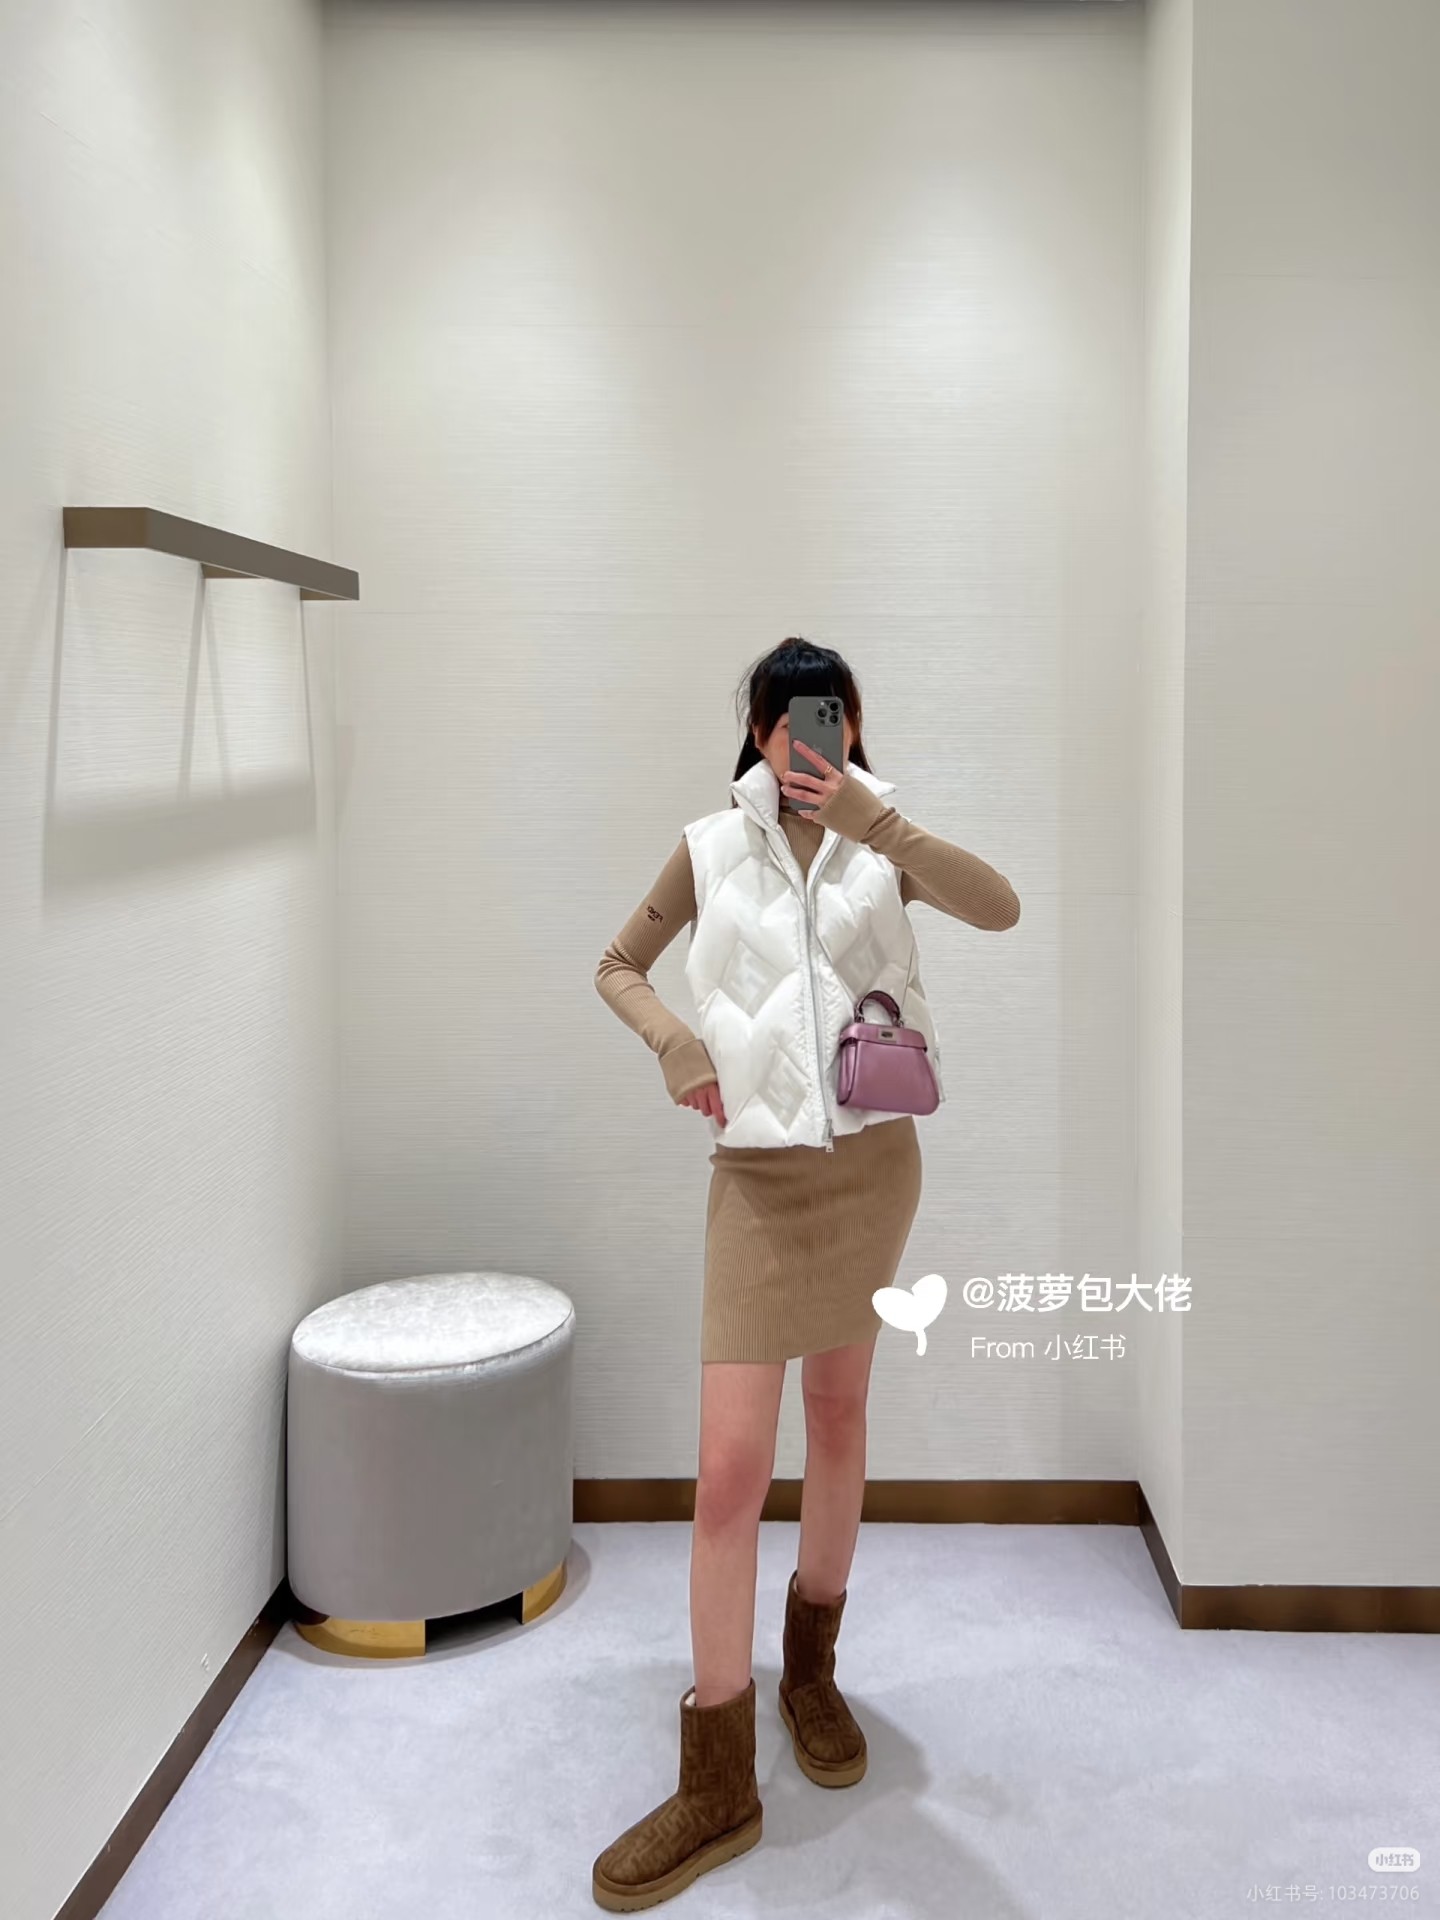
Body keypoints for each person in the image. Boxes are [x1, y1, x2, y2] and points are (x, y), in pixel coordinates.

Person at [590, 638, 1021, 1911]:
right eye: (791, 720)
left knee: (838, 1417)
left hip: (873, 1172)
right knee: (729, 1469)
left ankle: (812, 1672)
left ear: (853, 725)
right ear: (761, 731)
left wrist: (877, 819)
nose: (812, 739)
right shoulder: (708, 848)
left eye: (831, 717)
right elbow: (616, 965)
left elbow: (1000, 907)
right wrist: (675, 1045)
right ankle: (717, 1778)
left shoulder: (886, 841)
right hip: (756, 1184)